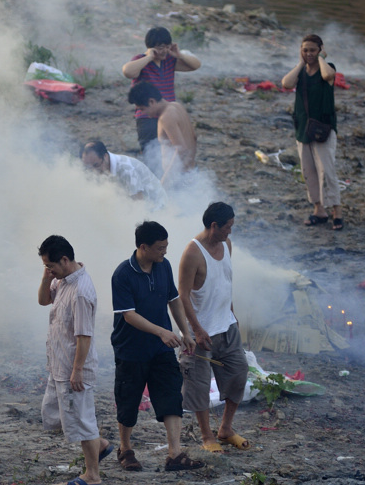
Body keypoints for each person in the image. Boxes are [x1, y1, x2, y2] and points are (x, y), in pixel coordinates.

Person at [110, 221, 204, 472]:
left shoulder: (164, 266)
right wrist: (162, 331)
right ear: (143, 247)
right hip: (131, 349)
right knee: (128, 400)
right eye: (160, 248)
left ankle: (174, 454)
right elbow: (128, 315)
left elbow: (173, 299)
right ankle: (125, 448)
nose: (164, 252)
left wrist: (185, 332)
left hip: (161, 349)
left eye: (166, 246)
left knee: (171, 395)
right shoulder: (123, 274)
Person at [37, 235, 112, 485]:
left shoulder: (81, 291)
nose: (49, 270)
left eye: (51, 265)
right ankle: (99, 445)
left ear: (65, 260)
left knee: (82, 421)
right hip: (58, 363)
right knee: (54, 415)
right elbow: (43, 300)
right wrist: (47, 276)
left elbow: (83, 335)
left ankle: (92, 475)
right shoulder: (62, 280)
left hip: (73, 366)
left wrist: (77, 370)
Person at [178, 202, 249, 453]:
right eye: (227, 227)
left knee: (239, 373)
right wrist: (196, 330)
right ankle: (207, 435)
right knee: (198, 384)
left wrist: (232, 312)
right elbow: (183, 295)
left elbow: (225, 282)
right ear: (214, 226)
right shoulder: (193, 253)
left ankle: (226, 428)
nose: (230, 232)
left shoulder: (226, 245)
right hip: (202, 331)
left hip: (226, 325)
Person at [281, 34, 343, 230]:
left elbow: (328, 76)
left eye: (312, 50)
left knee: (327, 171)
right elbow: (286, 84)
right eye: (305, 50)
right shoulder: (300, 72)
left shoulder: (328, 67)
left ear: (320, 50)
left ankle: (337, 211)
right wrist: (300, 64)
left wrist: (322, 58)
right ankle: (319, 210)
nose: (309, 54)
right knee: (309, 171)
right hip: (303, 129)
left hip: (323, 128)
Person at [121, 26, 201, 173]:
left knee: (175, 152)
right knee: (154, 156)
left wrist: (180, 55)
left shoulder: (170, 60)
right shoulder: (141, 61)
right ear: (151, 47)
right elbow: (127, 71)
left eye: (166, 47)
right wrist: (149, 57)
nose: (164, 51)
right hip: (147, 116)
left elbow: (195, 65)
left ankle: (177, 182)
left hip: (169, 114)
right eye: (160, 48)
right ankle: (158, 185)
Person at [128, 82, 196, 184]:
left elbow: (182, 150)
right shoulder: (177, 106)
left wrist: (165, 182)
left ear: (151, 102)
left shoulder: (166, 117)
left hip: (179, 178)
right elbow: (193, 138)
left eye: (142, 109)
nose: (142, 113)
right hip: (190, 173)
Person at [80, 140, 167, 210]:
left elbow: (138, 205)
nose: (93, 171)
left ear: (105, 157)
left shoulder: (126, 169)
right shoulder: (99, 167)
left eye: (96, 165)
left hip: (156, 207)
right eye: (88, 167)